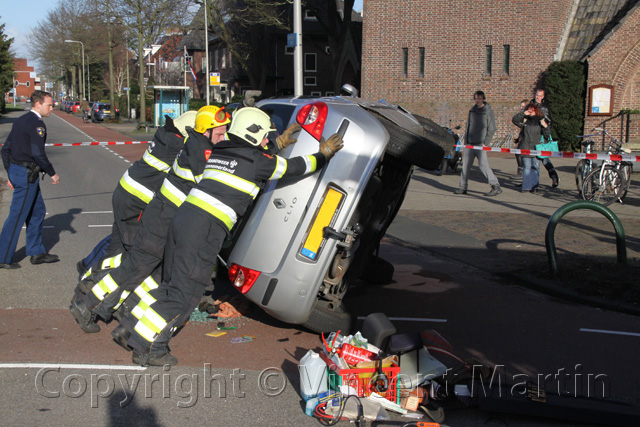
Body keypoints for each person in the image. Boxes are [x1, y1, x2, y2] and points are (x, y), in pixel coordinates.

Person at [114, 107, 344, 366]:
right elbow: (296, 167)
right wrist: (324, 154)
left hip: (182, 221)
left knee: (168, 285)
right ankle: (147, 346)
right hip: (204, 230)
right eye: (266, 136)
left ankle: (127, 328)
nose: (268, 140)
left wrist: (276, 144)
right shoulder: (257, 162)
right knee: (184, 294)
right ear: (253, 134)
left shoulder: (221, 150)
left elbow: (249, 160)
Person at [69, 105, 230, 333]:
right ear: (202, 131)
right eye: (220, 134)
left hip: (153, 210)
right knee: (132, 265)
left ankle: (117, 308)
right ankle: (87, 300)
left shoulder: (179, 138)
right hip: (151, 211)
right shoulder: (193, 148)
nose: (224, 138)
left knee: (146, 267)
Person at [76, 111, 198, 277]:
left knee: (117, 241)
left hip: (126, 190)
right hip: (137, 200)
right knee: (134, 249)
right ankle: (93, 277)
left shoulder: (164, 132)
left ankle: (88, 265)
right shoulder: (175, 144)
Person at [0, 90, 61, 269]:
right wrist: (52, 173)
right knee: (17, 216)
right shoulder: (36, 124)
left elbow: (5, 150)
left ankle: (36, 252)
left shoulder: (20, 120)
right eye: (49, 105)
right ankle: (3, 257)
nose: (52, 108)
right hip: (27, 175)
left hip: (20, 172)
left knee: (37, 211)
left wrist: (10, 173)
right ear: (37, 104)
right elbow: (37, 153)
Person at [454, 90, 502, 196]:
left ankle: (495, 186)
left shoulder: (488, 111)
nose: (478, 100)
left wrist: (486, 142)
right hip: (470, 143)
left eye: (479, 98)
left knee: (483, 166)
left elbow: (492, 128)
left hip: (480, 143)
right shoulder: (472, 111)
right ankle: (463, 187)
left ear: (483, 99)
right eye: (476, 98)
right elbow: (468, 126)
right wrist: (466, 141)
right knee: (465, 166)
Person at [512, 102, 551, 193]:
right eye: (529, 110)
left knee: (535, 167)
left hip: (536, 147)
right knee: (527, 167)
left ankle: (535, 186)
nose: (531, 113)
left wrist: (545, 126)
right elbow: (514, 120)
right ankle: (526, 187)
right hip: (525, 146)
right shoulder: (525, 120)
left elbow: (547, 134)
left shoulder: (540, 120)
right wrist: (523, 113)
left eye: (533, 111)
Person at [533, 89, 559, 188]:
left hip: (541, 136)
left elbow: (547, 122)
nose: (537, 97)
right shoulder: (532, 104)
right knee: (529, 159)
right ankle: (529, 181)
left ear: (543, 97)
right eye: (536, 95)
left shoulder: (544, 108)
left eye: (539, 96)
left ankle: (554, 176)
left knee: (544, 159)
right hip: (532, 135)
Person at [513, 100, 528, 176]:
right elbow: (515, 120)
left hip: (529, 139)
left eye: (523, 106)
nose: (521, 108)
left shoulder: (530, 116)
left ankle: (553, 174)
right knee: (518, 153)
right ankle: (521, 171)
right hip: (523, 138)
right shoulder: (523, 116)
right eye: (520, 106)